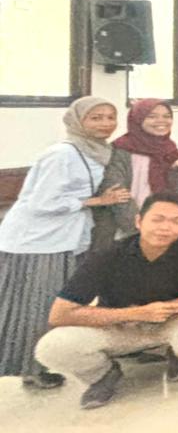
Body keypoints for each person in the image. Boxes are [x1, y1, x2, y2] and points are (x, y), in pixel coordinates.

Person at [34, 195, 178, 408]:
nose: (165, 228)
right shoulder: (107, 255)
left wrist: (170, 309)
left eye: (177, 221)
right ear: (139, 221)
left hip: (173, 320)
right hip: (121, 325)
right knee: (51, 348)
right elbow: (60, 314)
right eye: (157, 219)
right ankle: (102, 374)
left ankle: (176, 353)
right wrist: (135, 314)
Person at [0, 97, 124, 388]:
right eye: (96, 118)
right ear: (77, 121)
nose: (105, 123)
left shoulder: (96, 151)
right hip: (36, 243)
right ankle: (31, 368)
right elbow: (42, 202)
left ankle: (34, 366)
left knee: (50, 304)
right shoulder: (62, 154)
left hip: (63, 240)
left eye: (110, 117)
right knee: (36, 307)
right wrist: (97, 201)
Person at [94, 98, 178, 250]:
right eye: (152, 116)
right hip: (127, 229)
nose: (161, 121)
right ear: (138, 119)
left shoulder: (168, 148)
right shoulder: (121, 149)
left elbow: (174, 193)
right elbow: (117, 192)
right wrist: (139, 228)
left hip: (160, 225)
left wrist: (176, 170)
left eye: (167, 116)